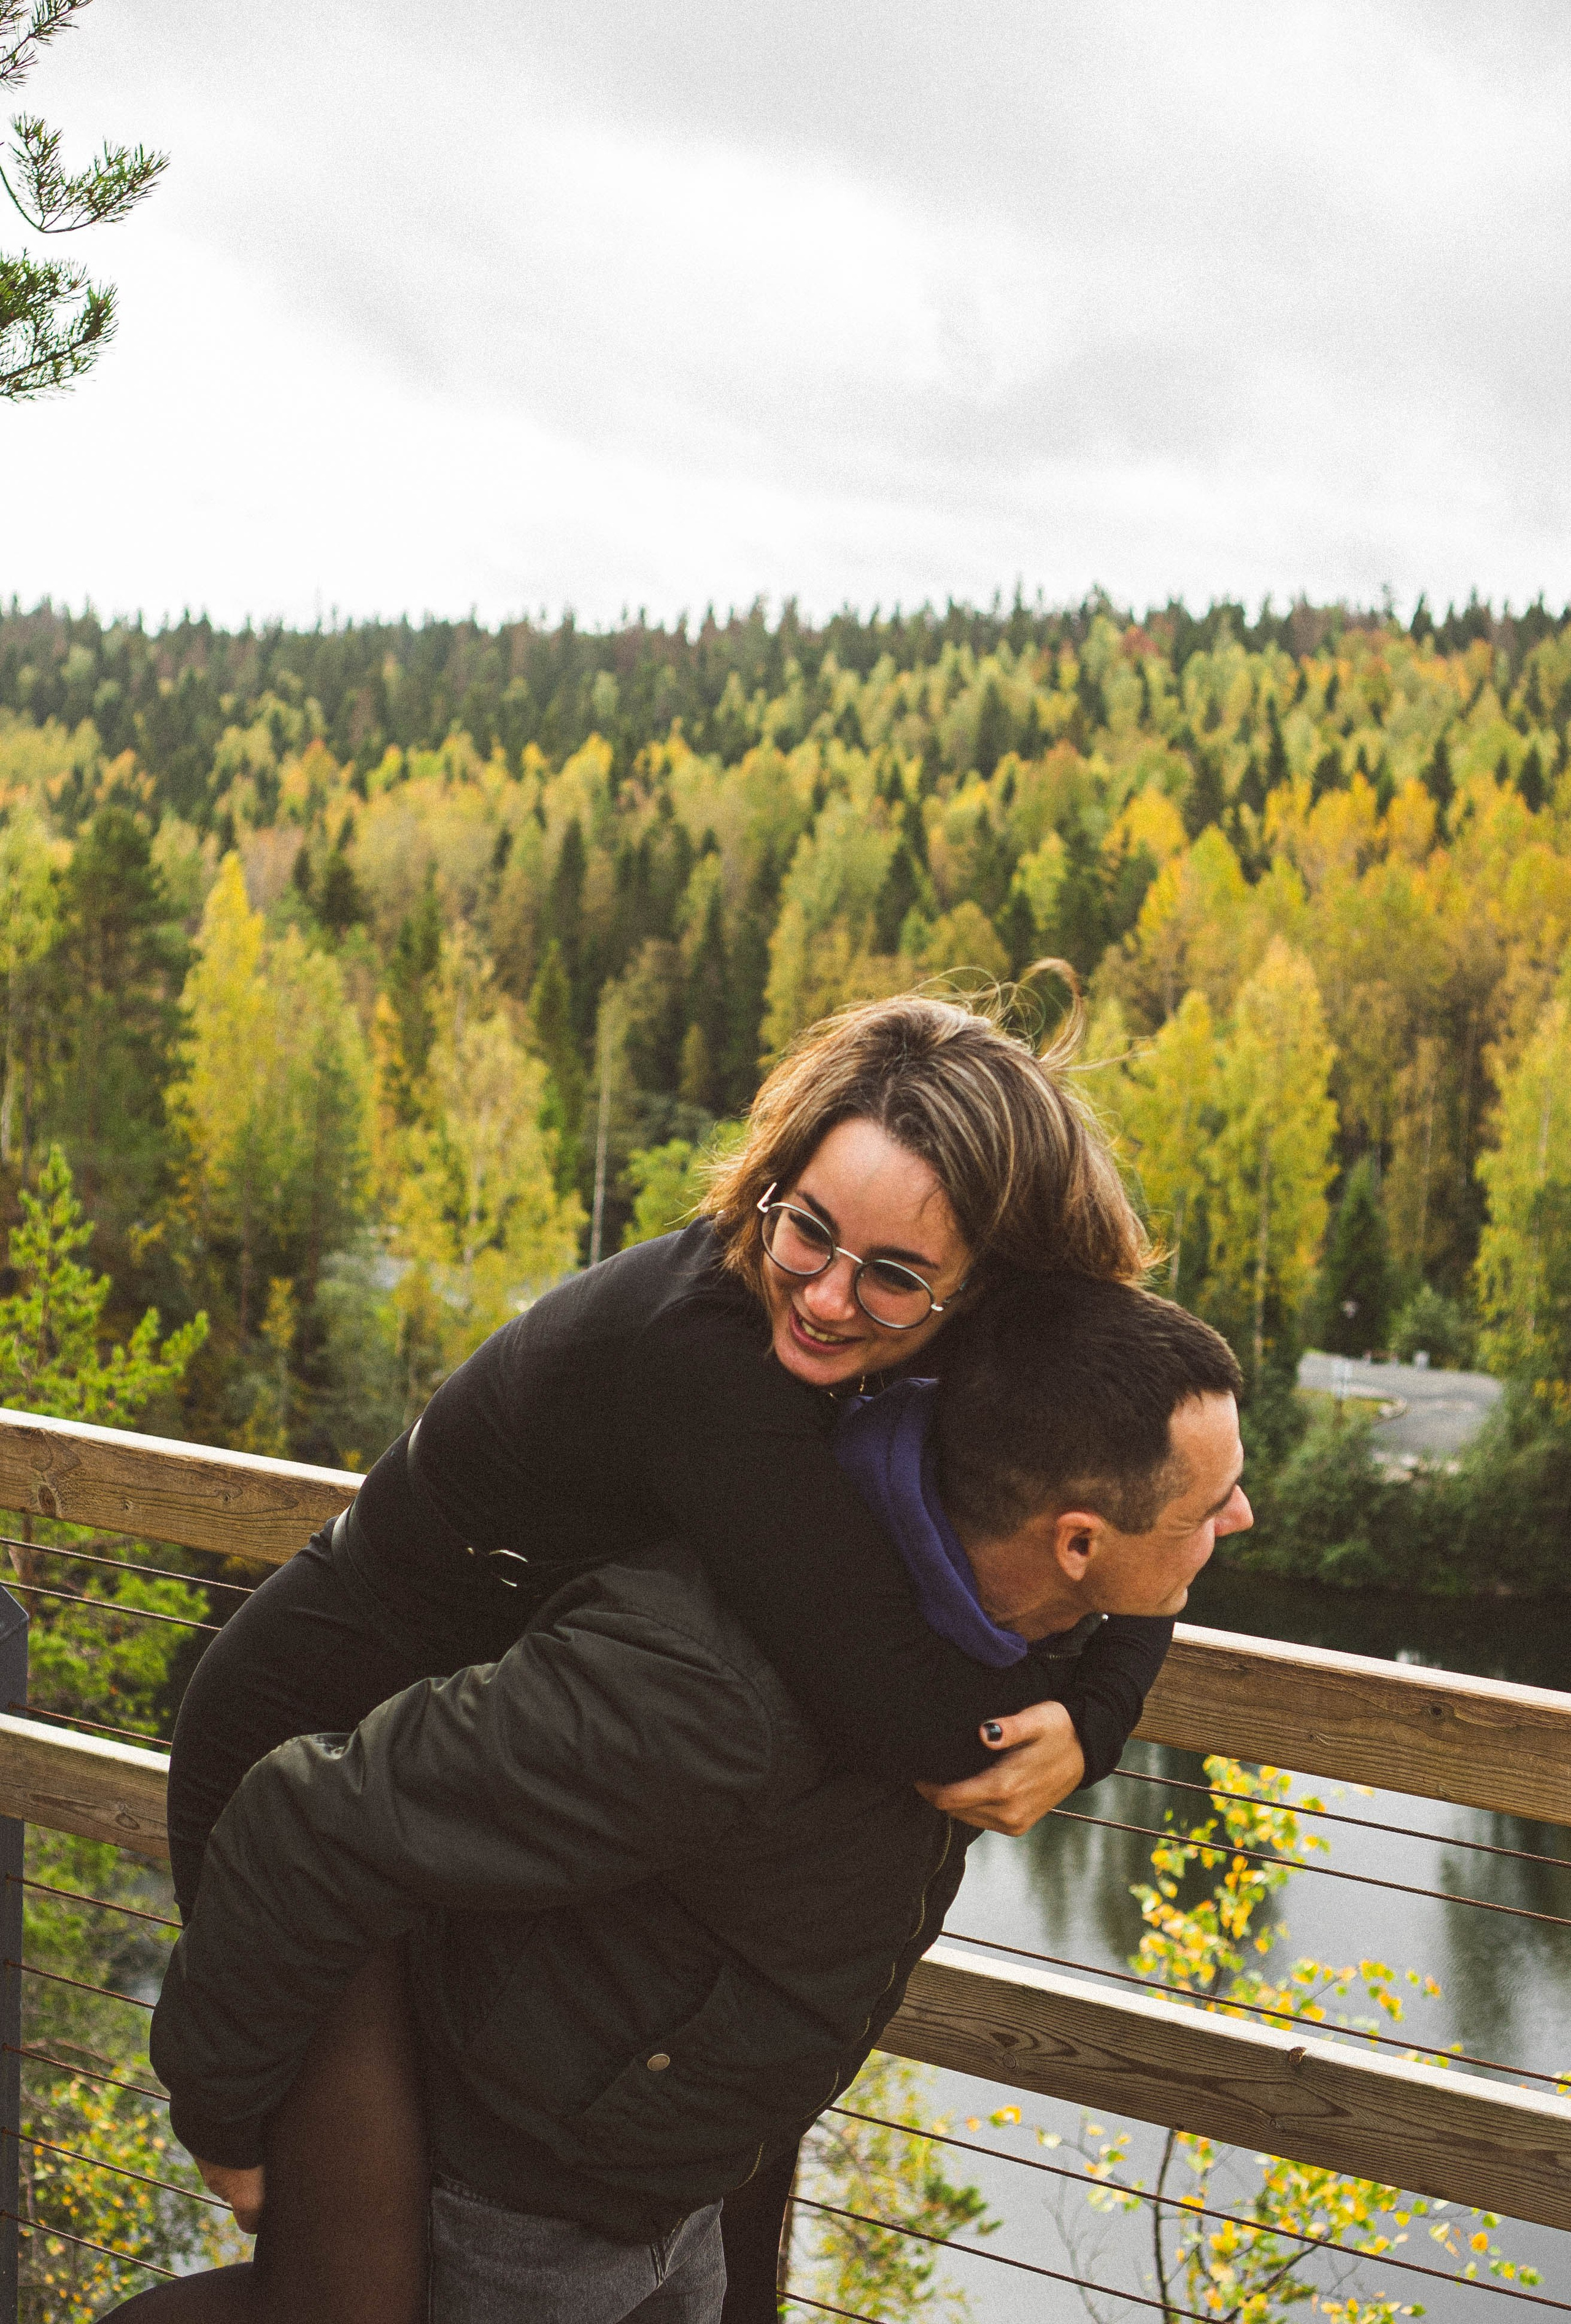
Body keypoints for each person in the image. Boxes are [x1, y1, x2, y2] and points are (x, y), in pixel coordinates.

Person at [148, 983, 1164, 2322]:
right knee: (352, 2292)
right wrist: (1087, 1708)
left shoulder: (911, 1345)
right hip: (316, 1769)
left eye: (895, 1274)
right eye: (803, 1228)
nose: (825, 1293)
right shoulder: (709, 1362)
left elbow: (1159, 1478)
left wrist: (1102, 1696)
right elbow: (906, 1714)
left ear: (988, 1287)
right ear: (772, 1184)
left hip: (493, 1772)